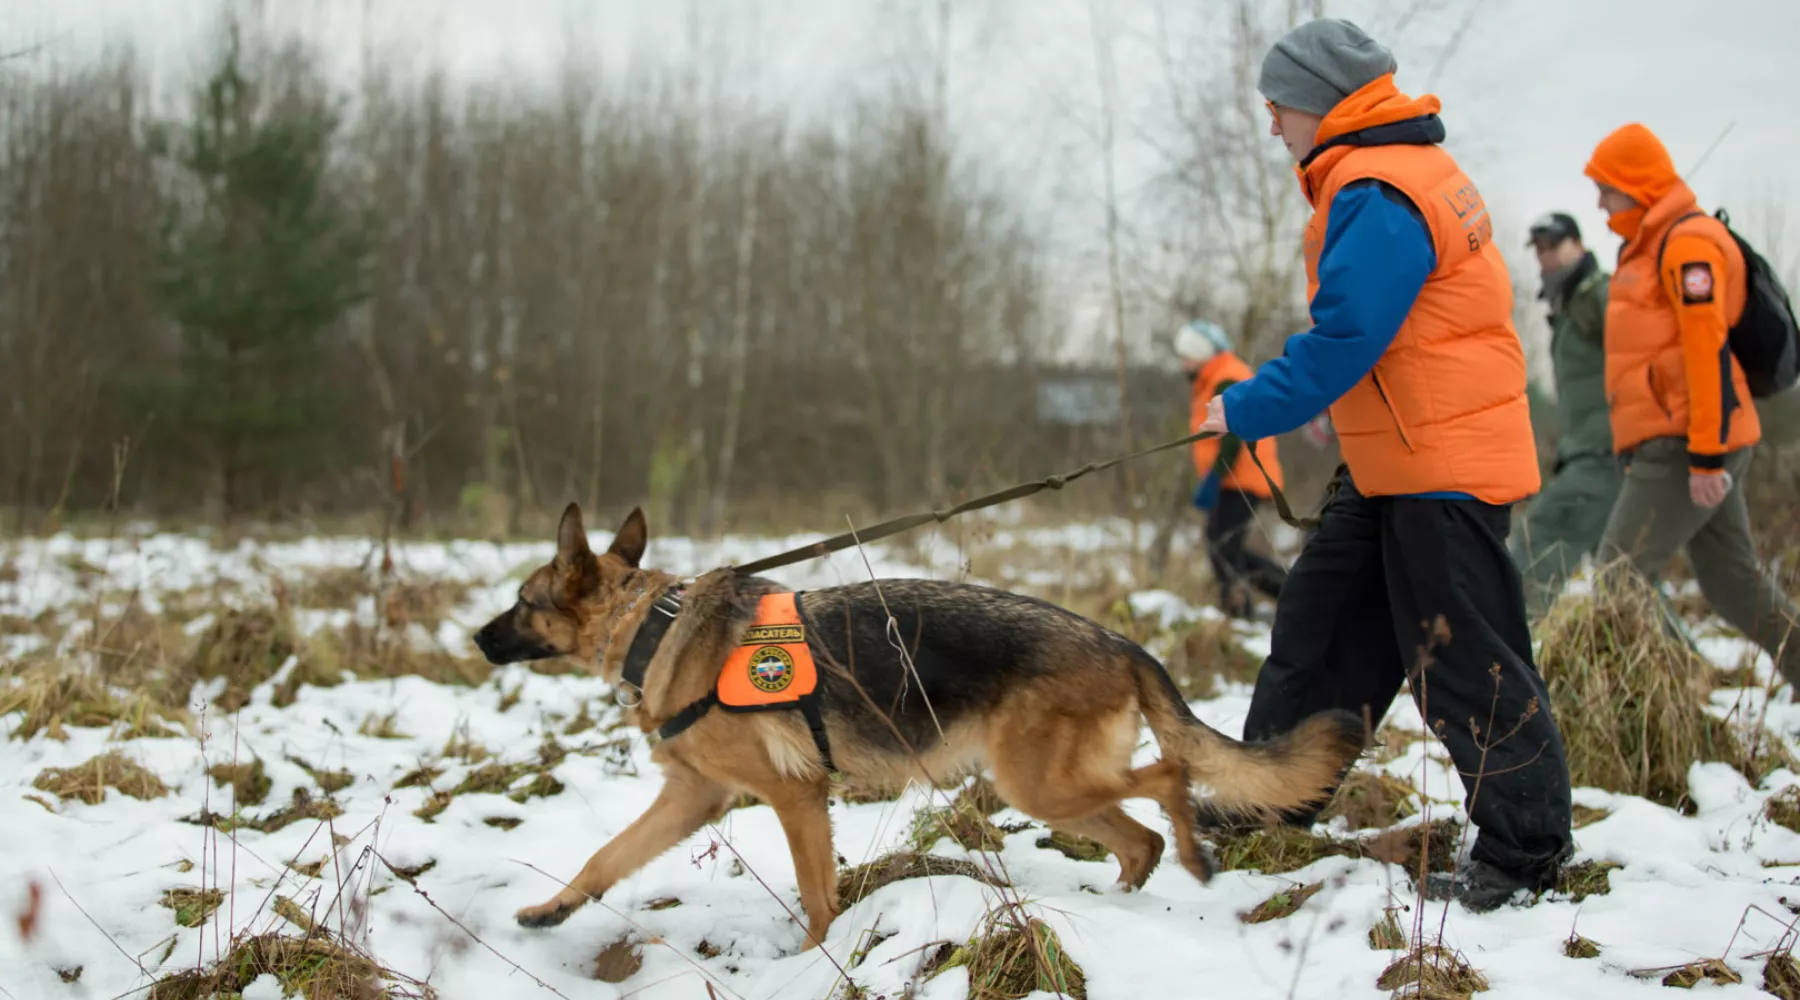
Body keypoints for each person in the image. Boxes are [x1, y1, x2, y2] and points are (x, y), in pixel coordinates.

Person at [1196, 17, 1573, 910]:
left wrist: (1250, 404)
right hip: (1394, 461)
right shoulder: (1386, 173)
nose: (1270, 121)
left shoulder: (1379, 186)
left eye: (1276, 104)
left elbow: (1351, 333)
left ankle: (1525, 855)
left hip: (1441, 467)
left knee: (1464, 661)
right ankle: (1270, 795)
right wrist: (1341, 407)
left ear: (1320, 101)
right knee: (1319, 628)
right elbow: (1398, 336)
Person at [1584, 123, 1800, 684]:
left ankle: (1638, 709)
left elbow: (1706, 352)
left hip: (1687, 443)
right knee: (1732, 585)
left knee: (1617, 579)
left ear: (1636, 185)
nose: (1600, 200)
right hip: (1677, 439)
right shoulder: (1648, 245)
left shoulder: (1687, 245)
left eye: (1607, 186)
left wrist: (1706, 455)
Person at [1508, 213, 1619, 618]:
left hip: (1605, 453)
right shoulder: (1570, 305)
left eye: (1554, 246)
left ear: (1579, 244)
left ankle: (1508, 654)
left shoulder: (1598, 294)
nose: (1545, 257)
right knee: (1625, 568)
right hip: (1587, 451)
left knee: (1542, 535)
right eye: (1538, 249)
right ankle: (1686, 666)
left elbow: (1641, 355)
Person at [1175, 319, 1288, 620]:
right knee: (1224, 547)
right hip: (1235, 478)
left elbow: (1233, 434)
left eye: (1186, 358)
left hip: (1241, 478)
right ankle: (1272, 600)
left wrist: (1214, 477)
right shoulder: (1216, 376)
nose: (1182, 365)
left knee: (1223, 548)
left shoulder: (1225, 378)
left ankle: (1245, 611)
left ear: (1201, 356)